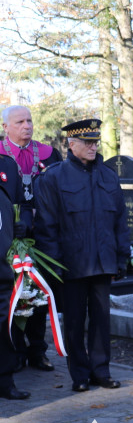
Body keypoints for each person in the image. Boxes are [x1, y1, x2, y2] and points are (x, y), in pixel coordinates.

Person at [33, 119, 129, 393]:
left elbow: (120, 222)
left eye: (95, 142)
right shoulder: (54, 177)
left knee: (101, 319)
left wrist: (121, 259)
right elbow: (47, 226)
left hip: (103, 261)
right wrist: (53, 265)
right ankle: (80, 374)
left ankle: (101, 371)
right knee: (74, 321)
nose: (92, 146)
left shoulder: (109, 176)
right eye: (87, 142)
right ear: (71, 144)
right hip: (71, 263)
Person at [0, 105, 62, 372]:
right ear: (6, 127)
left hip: (42, 236)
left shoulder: (49, 155)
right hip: (9, 236)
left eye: (29, 120)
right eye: (20, 121)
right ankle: (15, 351)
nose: (27, 125)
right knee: (12, 296)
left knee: (38, 294)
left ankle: (38, 351)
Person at [0, 154, 30, 400]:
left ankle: (6, 382)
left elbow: (24, 204)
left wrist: (23, 225)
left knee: (4, 326)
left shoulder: (8, 165)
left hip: (3, 267)